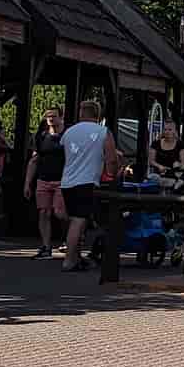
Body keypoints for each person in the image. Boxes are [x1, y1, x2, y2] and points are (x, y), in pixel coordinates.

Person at [59, 100, 119, 274]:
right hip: (86, 181)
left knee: (75, 220)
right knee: (79, 221)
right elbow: (111, 159)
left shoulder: (69, 132)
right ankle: (69, 260)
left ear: (81, 113)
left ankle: (76, 257)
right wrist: (112, 174)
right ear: (98, 115)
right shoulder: (103, 132)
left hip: (67, 181)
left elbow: (63, 154)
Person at [24, 108, 67, 258]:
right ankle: (46, 246)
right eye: (48, 116)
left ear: (61, 117)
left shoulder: (67, 136)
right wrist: (27, 183)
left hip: (62, 180)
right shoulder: (41, 136)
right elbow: (34, 160)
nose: (50, 118)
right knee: (44, 212)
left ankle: (70, 238)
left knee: (60, 212)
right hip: (43, 179)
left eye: (53, 116)